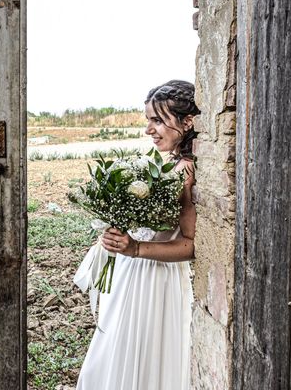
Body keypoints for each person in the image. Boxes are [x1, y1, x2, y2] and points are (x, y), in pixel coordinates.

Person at [76, 80, 200, 390]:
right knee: (114, 351)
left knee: (143, 359)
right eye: (148, 120)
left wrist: (135, 248)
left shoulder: (184, 172)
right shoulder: (161, 165)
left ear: (187, 122)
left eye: (158, 120)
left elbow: (190, 244)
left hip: (157, 280)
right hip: (132, 273)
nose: (149, 129)